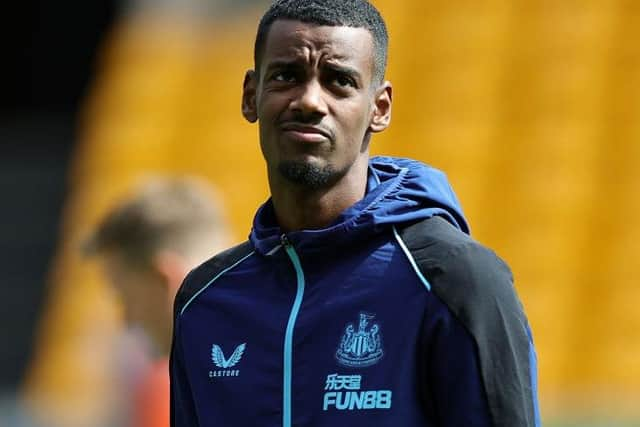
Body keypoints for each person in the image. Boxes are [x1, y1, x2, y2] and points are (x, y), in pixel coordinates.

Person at [170, 0, 540, 426]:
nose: (309, 101)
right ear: (251, 96)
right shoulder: (205, 303)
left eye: (339, 81)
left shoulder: (454, 280)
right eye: (287, 76)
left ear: (379, 108)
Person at [85, 177, 229, 427]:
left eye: (126, 296)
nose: (127, 320)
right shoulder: (291, 347)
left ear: (167, 280)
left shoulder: (176, 389)